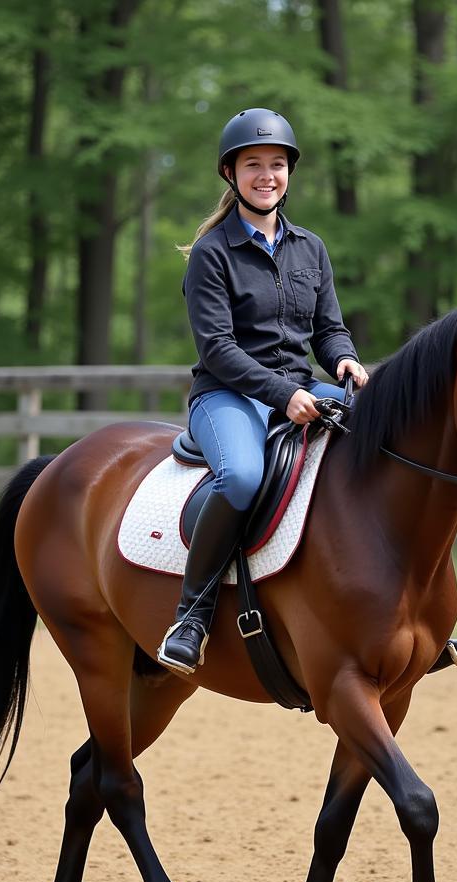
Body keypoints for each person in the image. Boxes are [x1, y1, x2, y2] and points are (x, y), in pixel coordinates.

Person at [156, 107, 368, 674]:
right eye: (254, 165)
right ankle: (191, 615)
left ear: (290, 173)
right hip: (226, 395)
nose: (267, 175)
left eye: (277, 164)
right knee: (244, 476)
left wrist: (346, 362)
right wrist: (283, 395)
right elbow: (218, 349)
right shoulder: (212, 254)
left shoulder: (310, 248)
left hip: (300, 387)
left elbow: (328, 330)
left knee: (390, 433)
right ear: (231, 173)